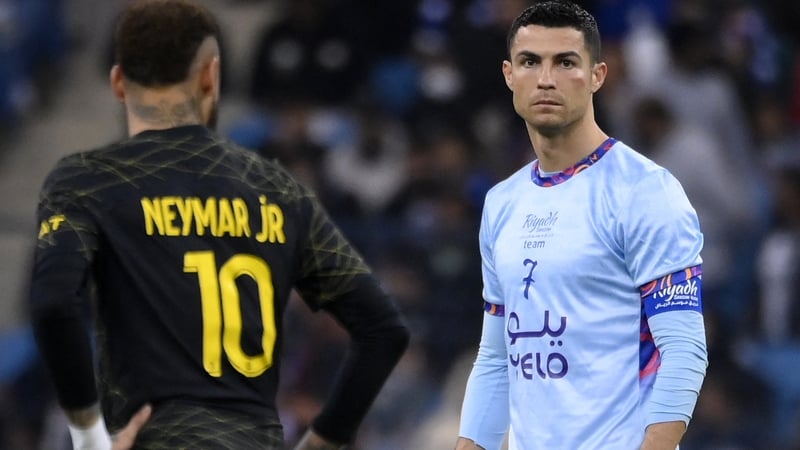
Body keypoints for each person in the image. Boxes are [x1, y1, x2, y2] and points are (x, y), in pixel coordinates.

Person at [28, 1, 410, 449]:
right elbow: (384, 331)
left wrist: (90, 441)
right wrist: (319, 442)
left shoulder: (86, 181)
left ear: (117, 83)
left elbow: (54, 305)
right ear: (211, 77)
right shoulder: (279, 191)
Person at [455, 2, 708, 450]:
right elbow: (497, 359)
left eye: (566, 62)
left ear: (598, 75)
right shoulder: (502, 204)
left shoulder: (645, 192)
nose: (546, 79)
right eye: (531, 62)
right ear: (509, 75)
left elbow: (684, 353)